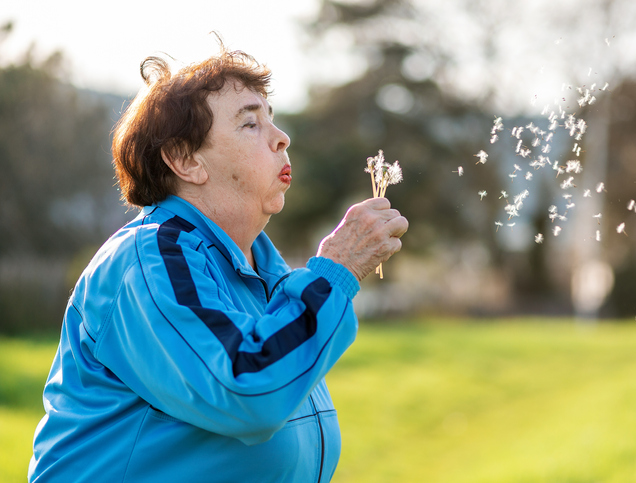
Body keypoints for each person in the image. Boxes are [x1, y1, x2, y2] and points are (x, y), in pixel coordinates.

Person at [28, 46, 408, 482]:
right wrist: (337, 270)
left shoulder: (260, 271)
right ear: (186, 160)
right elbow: (247, 390)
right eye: (250, 122)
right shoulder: (149, 259)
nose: (281, 137)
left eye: (271, 116)